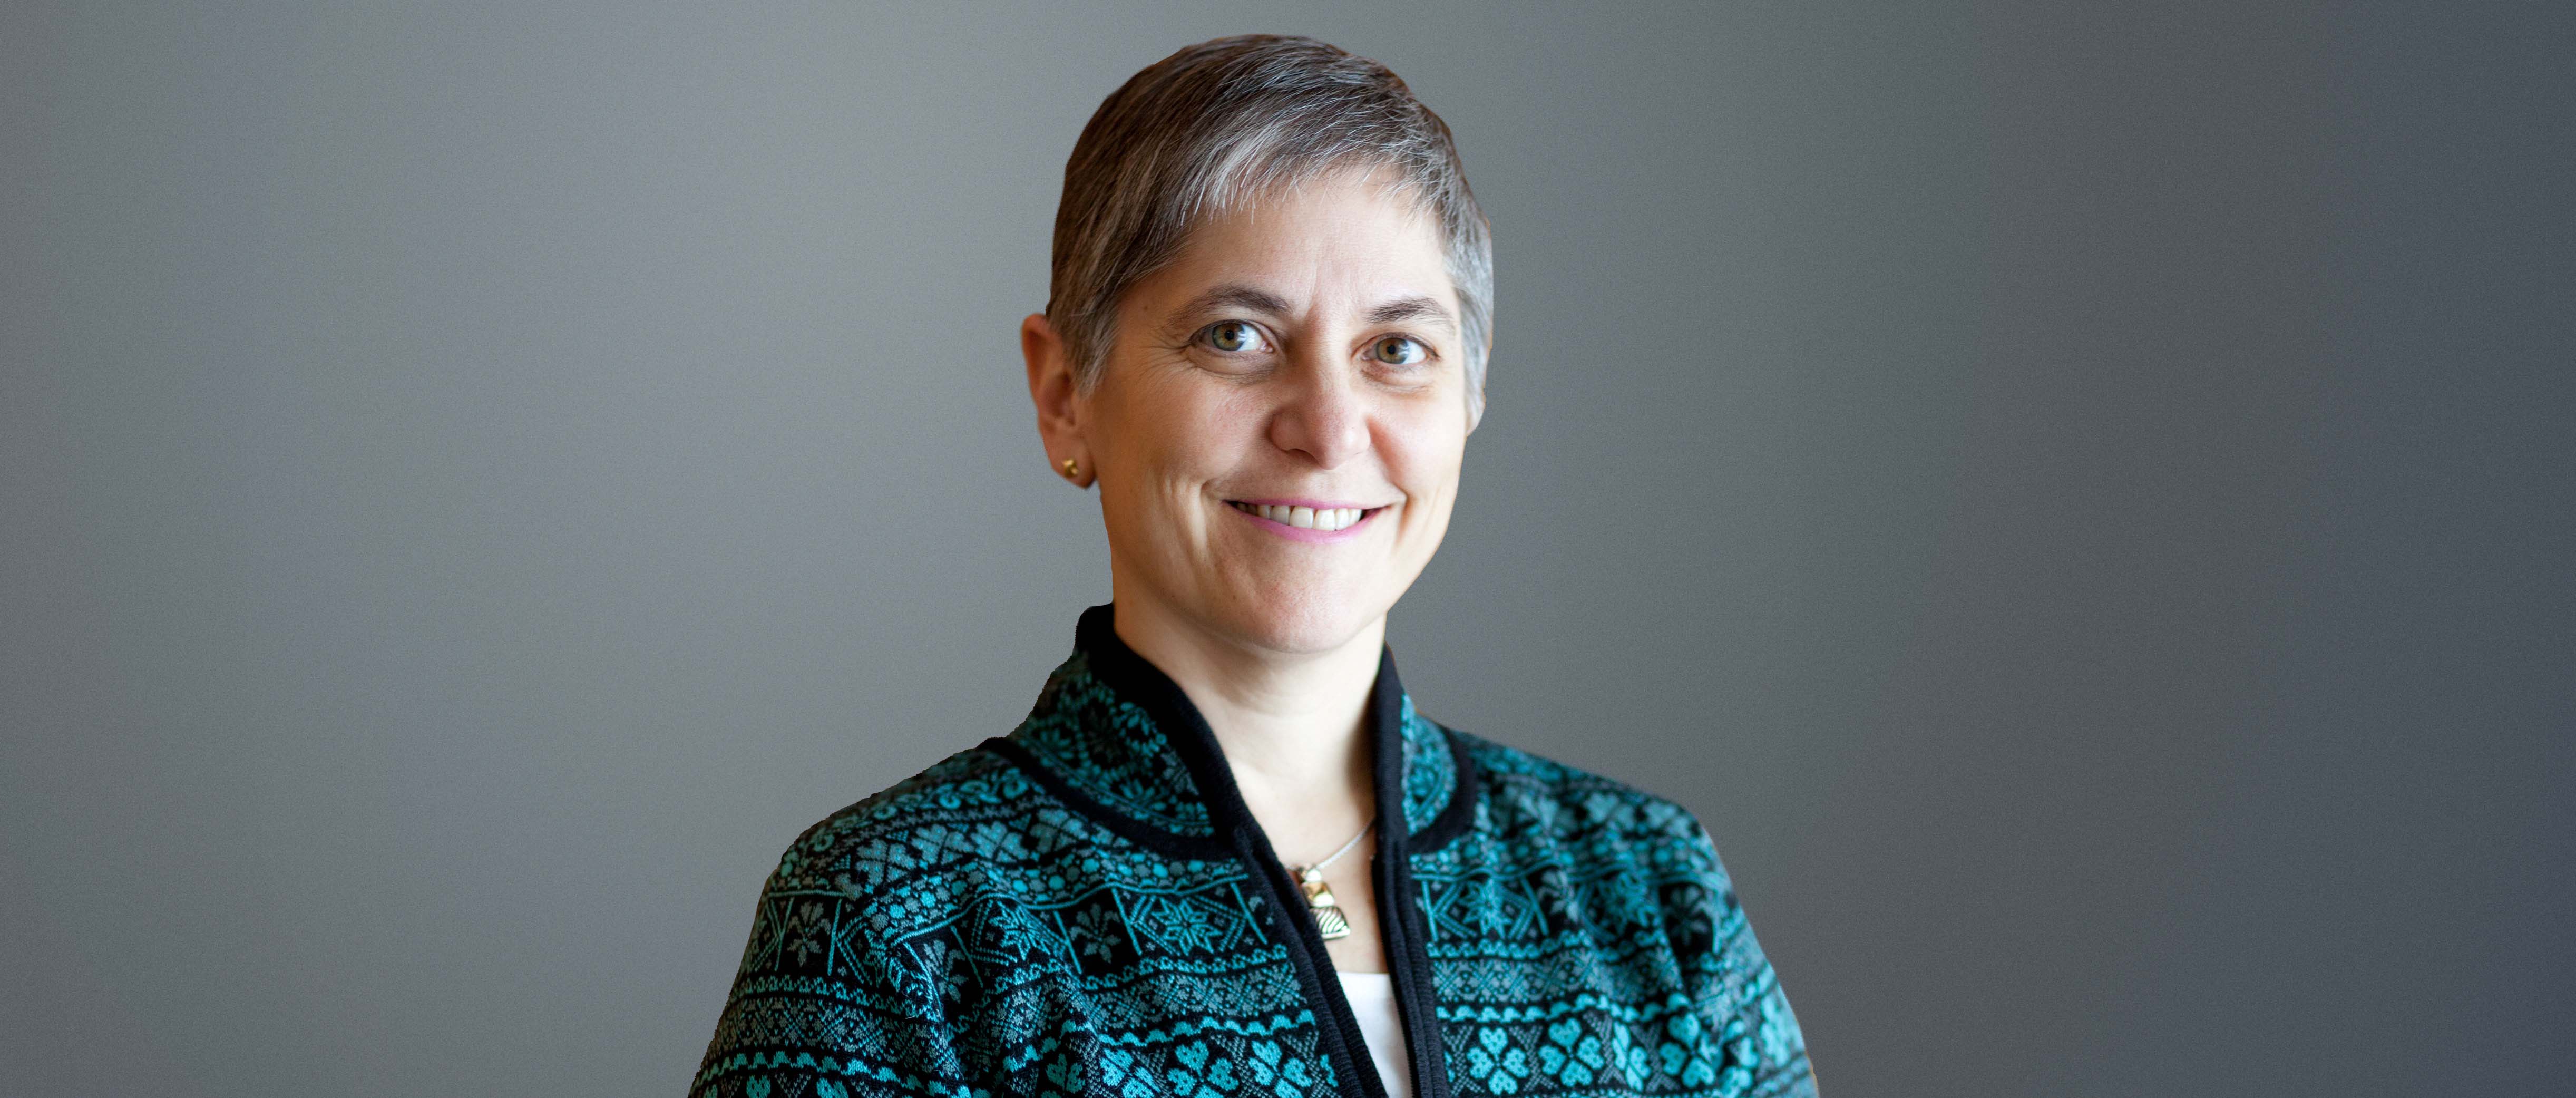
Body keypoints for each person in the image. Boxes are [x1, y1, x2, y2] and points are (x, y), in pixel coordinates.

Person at [690, 34, 1815, 1098]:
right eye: (1236, 335)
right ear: (1065, 393)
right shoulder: (894, 924)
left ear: (1469, 398)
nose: (1328, 429)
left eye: (1396, 350)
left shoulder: (1648, 888)